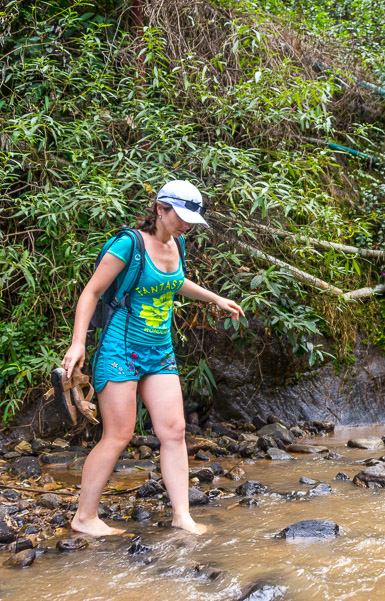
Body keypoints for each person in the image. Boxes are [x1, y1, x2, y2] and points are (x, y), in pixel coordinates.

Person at [61, 180, 244, 537]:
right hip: (120, 348)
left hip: (159, 350)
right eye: (181, 216)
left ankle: (182, 516)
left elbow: (174, 282)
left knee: (174, 431)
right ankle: (84, 517)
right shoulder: (127, 244)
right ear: (160, 208)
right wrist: (77, 343)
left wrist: (215, 298)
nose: (186, 225)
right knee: (118, 435)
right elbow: (92, 292)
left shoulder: (178, 243)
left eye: (192, 220)